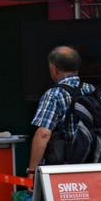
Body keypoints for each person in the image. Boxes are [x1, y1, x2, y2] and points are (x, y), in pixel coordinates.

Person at [27, 46, 95, 174]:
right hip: (92, 166)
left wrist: (32, 171)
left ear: (54, 68)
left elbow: (43, 134)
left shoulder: (54, 94)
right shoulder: (93, 91)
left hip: (64, 169)